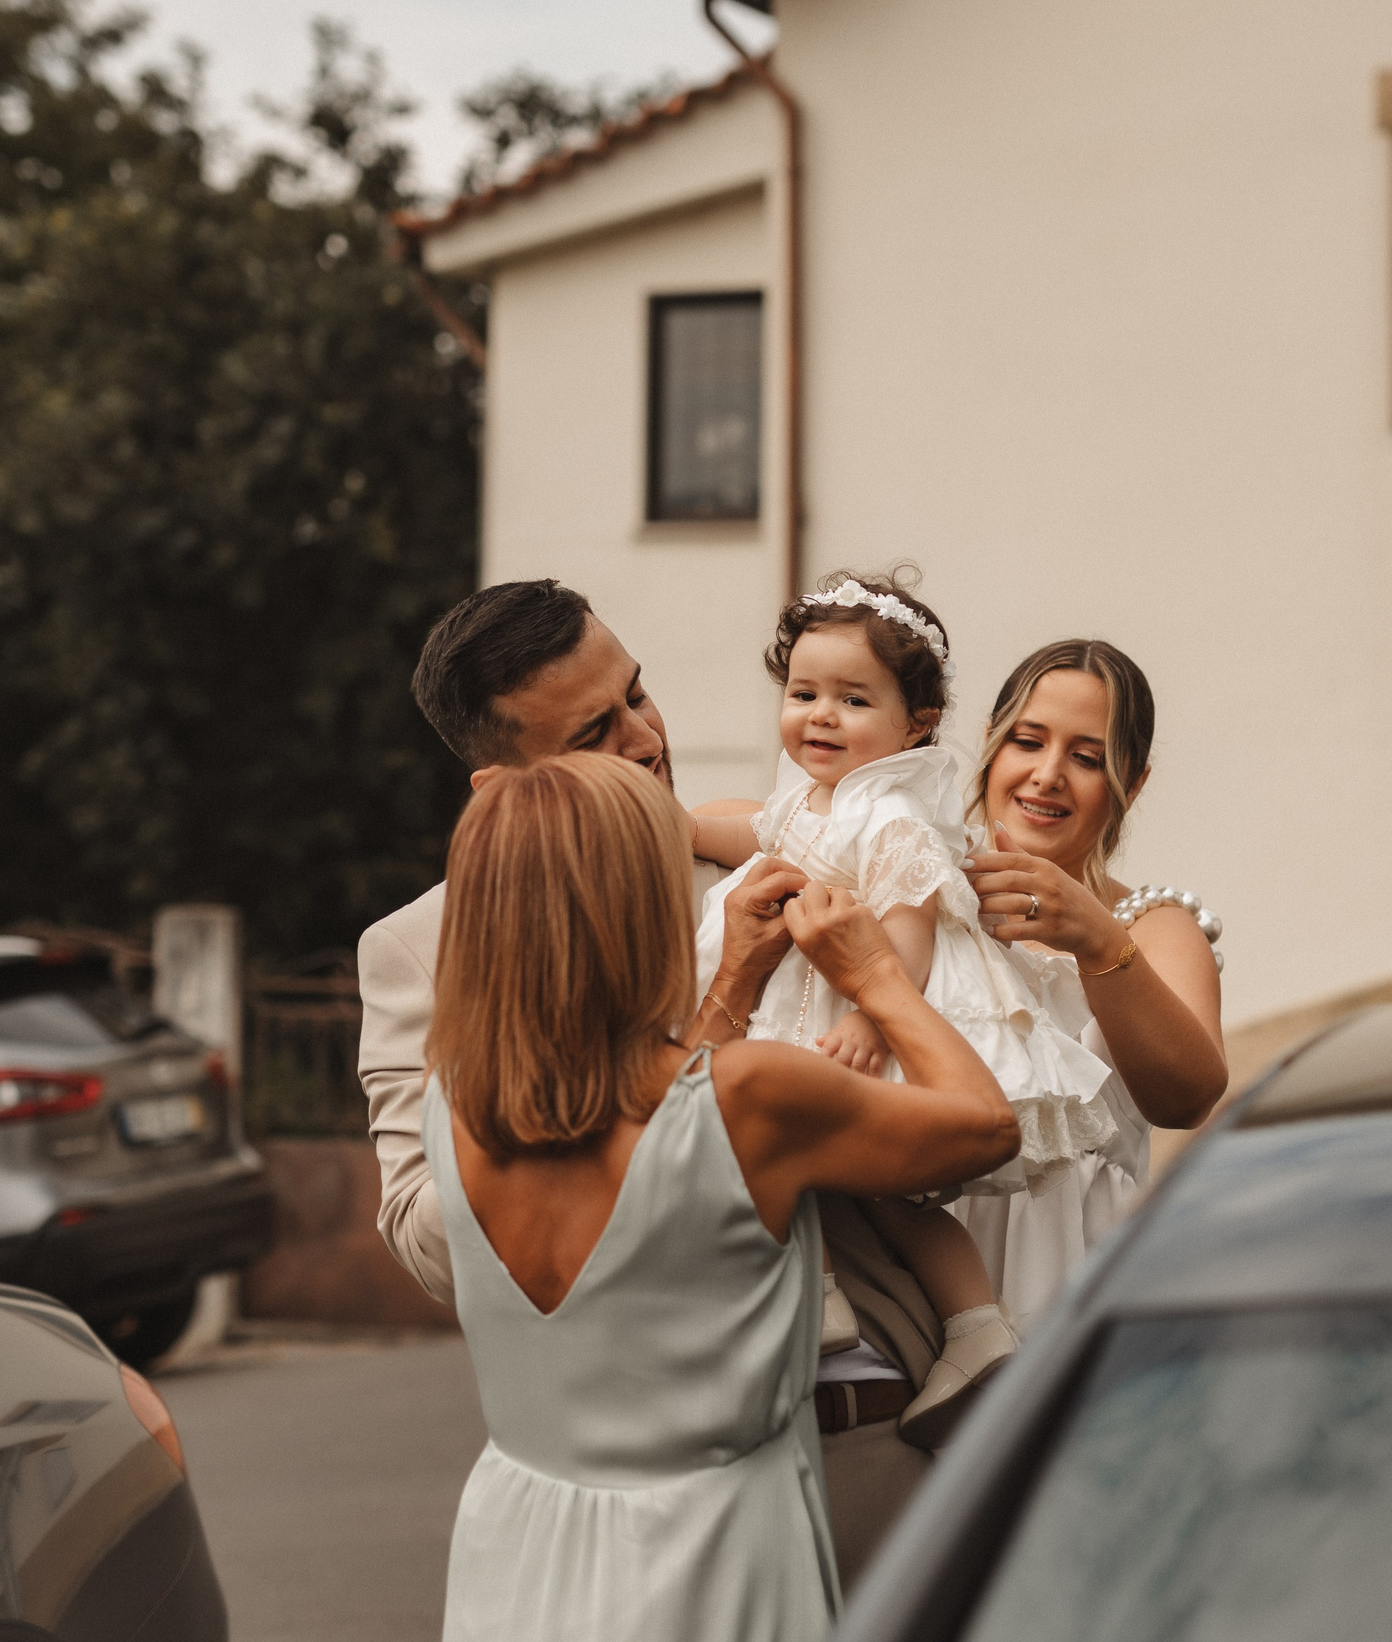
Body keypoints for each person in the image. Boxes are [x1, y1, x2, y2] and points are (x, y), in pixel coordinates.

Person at [358, 579, 946, 1586]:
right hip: (640, 1481)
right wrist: (534, 1040)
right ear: (501, 785)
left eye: (639, 693)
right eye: (596, 728)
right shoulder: (420, 947)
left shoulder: (769, 867)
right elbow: (429, 1242)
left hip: (872, 1413)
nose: (646, 738)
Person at [426, 755, 1015, 1642]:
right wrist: (875, 978)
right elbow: (984, 1125)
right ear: (632, 914)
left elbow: (657, 1135)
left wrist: (734, 985)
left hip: (519, 1554)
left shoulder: (450, 1099)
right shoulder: (754, 1098)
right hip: (705, 1559)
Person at [691, 575, 1118, 1446]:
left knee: (863, 1178)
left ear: (916, 723)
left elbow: (909, 932)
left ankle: (916, 1315)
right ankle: (962, 1328)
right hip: (818, 1003)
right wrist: (668, 824)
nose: (820, 715)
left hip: (872, 1013)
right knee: (870, 1188)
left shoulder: (889, 814)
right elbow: (753, 834)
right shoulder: (814, 800)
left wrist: (868, 1022)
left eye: (853, 700)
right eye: (804, 693)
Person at [955, 640, 1231, 1324]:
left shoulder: (1156, 927)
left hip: (1081, 1293)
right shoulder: (918, 887)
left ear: (1129, 785)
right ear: (990, 746)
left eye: (1085, 758)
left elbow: (1189, 1097)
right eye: (1027, 741)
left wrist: (1097, 939)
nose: (1047, 775)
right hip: (926, 1267)